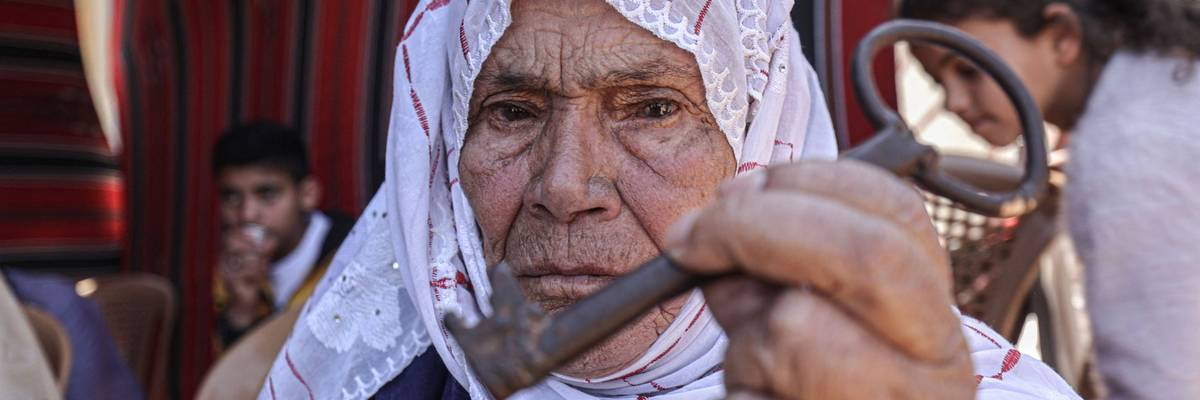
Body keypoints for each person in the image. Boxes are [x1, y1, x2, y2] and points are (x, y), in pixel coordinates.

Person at [260, 0, 1080, 399]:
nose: (562, 188)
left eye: (653, 108)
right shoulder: (375, 376)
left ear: (762, 147)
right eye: (511, 113)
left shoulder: (946, 389)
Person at [899, 1, 1200, 398]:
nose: (953, 101)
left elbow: (1160, 384)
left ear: (1062, 37)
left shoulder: (1124, 152)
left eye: (967, 70)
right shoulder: (1164, 84)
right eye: (938, 82)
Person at [211, 122, 353, 349]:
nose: (247, 214)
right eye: (232, 197)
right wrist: (240, 309)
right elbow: (235, 381)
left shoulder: (351, 258)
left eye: (267, 193)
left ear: (307, 194)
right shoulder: (233, 267)